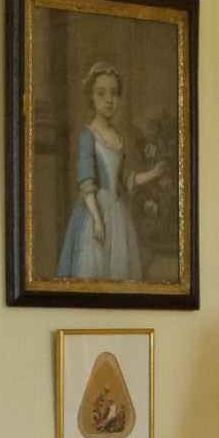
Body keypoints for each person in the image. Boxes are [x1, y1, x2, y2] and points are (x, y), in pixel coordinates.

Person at [53, 60, 145, 283]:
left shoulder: (118, 137)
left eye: (114, 93)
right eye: (101, 93)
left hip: (117, 214)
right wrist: (97, 218)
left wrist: (155, 173)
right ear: (91, 97)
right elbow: (86, 182)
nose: (109, 100)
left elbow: (126, 179)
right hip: (95, 211)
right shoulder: (88, 136)